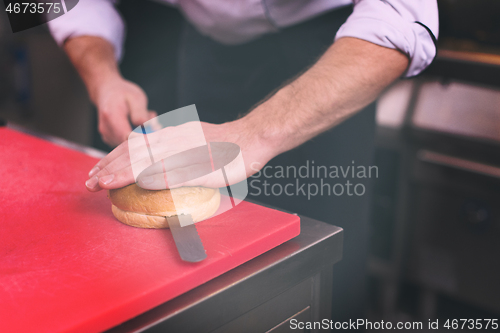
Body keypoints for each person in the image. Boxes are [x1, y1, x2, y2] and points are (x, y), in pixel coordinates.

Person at [48, 0, 438, 324]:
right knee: (207, 281)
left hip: (335, 58)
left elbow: (403, 19)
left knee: (327, 270)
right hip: (205, 48)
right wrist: (103, 77)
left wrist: (253, 135)